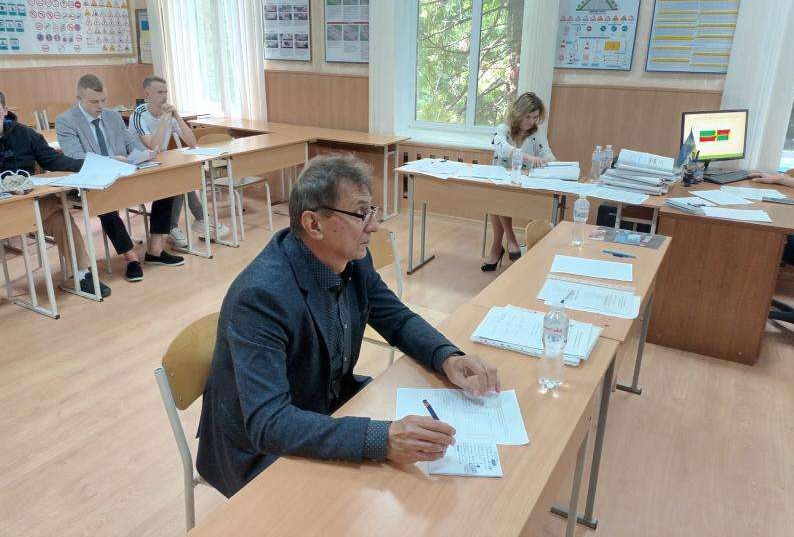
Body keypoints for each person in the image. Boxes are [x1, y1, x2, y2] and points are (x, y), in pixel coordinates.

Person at [197, 154, 501, 497]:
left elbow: (396, 319)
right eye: (361, 213)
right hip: (257, 448)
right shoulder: (261, 297)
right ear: (314, 224)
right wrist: (383, 439)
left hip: (322, 407)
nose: (374, 226)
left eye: (372, 211)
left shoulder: (352, 259)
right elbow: (269, 423)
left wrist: (447, 357)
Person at [56, 74, 184, 282]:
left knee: (164, 185)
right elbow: (74, 157)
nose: (100, 106)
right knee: (106, 203)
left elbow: (132, 143)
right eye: (94, 102)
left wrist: (143, 153)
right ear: (79, 98)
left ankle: (155, 251)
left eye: (104, 100)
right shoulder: (66, 121)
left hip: (124, 174)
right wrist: (110, 160)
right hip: (93, 180)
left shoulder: (112, 116)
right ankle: (131, 258)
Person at [0, 91, 110, 297]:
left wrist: (89, 165)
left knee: (61, 218)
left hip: (29, 205)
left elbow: (53, 160)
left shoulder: (24, 134)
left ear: (4, 111)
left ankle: (81, 274)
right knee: (55, 206)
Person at [129, 76, 228, 247]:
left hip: (162, 164)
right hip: (141, 166)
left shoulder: (169, 113)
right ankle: (194, 221)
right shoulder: (138, 115)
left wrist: (177, 116)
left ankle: (182, 225)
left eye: (165, 92)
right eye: (159, 92)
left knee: (182, 176)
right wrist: (165, 119)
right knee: (180, 180)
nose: (164, 96)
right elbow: (154, 147)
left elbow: (192, 142)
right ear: (147, 94)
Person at [484, 91, 554, 271]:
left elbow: (547, 153)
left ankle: (500, 245)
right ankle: (510, 238)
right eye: (528, 116)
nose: (531, 121)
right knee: (498, 195)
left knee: (499, 198)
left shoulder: (536, 134)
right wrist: (529, 158)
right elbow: (502, 147)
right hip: (501, 183)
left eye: (535, 117)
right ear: (518, 113)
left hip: (524, 185)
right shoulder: (503, 129)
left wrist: (548, 161)